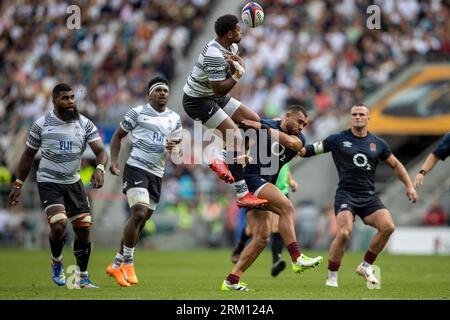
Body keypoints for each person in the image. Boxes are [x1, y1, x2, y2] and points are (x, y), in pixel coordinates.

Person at [300, 104, 417, 288]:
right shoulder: (337, 139)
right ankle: (332, 277)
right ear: (350, 117)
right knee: (344, 233)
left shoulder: (378, 143)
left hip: (369, 196)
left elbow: (396, 165)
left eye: (361, 114)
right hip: (346, 195)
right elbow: (308, 151)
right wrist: (292, 143)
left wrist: (409, 186)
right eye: (354, 114)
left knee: (388, 227)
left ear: (368, 118)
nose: (358, 117)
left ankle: (365, 265)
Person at [8, 83, 107, 288]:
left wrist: (100, 168)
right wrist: (18, 184)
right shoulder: (41, 124)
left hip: (74, 182)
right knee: (59, 223)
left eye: (72, 97)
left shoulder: (84, 123)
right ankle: (56, 261)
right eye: (65, 98)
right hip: (49, 182)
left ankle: (82, 277)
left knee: (84, 230)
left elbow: (100, 151)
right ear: (54, 101)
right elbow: (27, 156)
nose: (70, 101)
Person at [221, 105, 323, 291]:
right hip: (252, 179)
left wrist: (262, 128)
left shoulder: (297, 138)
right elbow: (236, 137)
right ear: (288, 115)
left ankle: (231, 280)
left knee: (262, 238)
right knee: (286, 207)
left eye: (305, 124)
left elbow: (292, 145)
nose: (301, 127)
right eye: (299, 121)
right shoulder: (264, 123)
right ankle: (296, 257)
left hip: (263, 185)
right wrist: (240, 154)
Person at [182, 14, 267, 209]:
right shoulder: (213, 53)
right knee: (234, 135)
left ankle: (225, 157)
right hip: (198, 100)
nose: (241, 32)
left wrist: (234, 70)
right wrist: (238, 74)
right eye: (238, 29)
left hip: (213, 97)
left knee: (253, 121)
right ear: (229, 34)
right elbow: (218, 88)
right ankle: (242, 193)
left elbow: (222, 84)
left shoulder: (232, 47)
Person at [106, 76, 183, 287]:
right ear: (150, 94)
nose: (163, 93)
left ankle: (116, 264)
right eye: (158, 90)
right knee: (138, 213)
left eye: (166, 91)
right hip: (136, 168)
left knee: (141, 222)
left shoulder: (174, 118)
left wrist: (174, 149)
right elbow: (117, 136)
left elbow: (178, 150)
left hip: (157, 174)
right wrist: (113, 161)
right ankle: (129, 263)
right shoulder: (136, 113)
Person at [231, 162, 299, 277]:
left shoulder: (282, 151)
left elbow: (284, 167)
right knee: (255, 232)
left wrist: (291, 181)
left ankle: (277, 260)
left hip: (281, 192)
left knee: (273, 229)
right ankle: (239, 248)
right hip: (261, 189)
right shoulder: (263, 148)